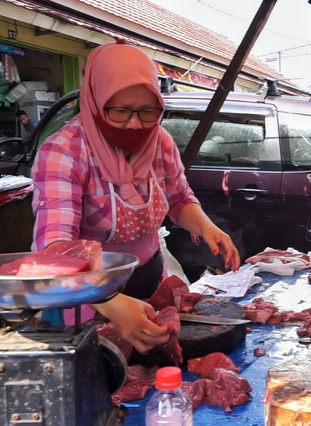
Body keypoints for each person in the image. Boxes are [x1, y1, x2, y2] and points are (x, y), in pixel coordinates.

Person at [31, 42, 240, 353]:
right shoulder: (64, 151)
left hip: (148, 280)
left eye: (147, 111)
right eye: (121, 111)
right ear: (96, 102)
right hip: (82, 300)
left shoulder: (161, 143)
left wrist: (206, 226)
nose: (135, 124)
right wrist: (109, 300)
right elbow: (54, 248)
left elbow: (179, 198)